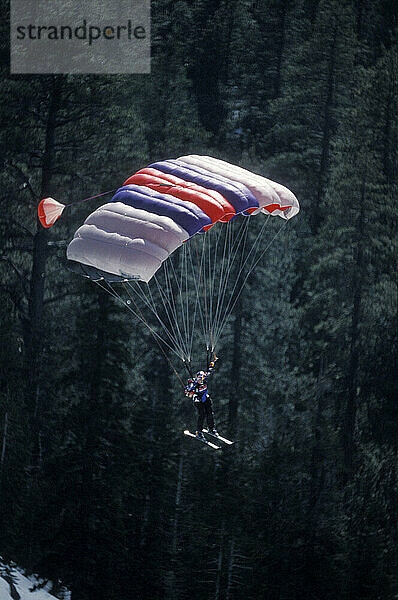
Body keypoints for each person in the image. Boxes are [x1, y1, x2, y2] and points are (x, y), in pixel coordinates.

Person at [185, 355, 219, 440]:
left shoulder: (205, 379)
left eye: (202, 378)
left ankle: (211, 428)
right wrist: (189, 392)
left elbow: (209, 370)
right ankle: (199, 432)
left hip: (205, 397)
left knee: (210, 412)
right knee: (202, 414)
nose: (200, 379)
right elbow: (187, 392)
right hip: (198, 400)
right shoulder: (193, 384)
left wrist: (213, 362)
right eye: (199, 378)